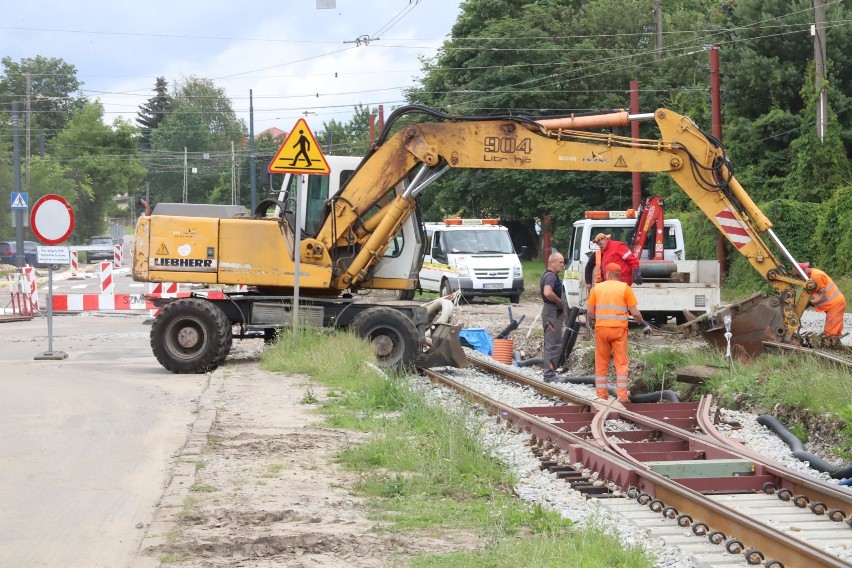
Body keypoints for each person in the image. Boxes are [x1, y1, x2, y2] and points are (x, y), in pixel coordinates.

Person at [586, 263, 652, 402]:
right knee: (621, 364)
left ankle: (602, 395)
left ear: (607, 273)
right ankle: (622, 396)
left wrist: (602, 318)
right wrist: (643, 324)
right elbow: (635, 313)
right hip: (619, 331)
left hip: (602, 330)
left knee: (601, 363)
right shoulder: (625, 289)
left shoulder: (596, 289)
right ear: (619, 275)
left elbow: (590, 312)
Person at [799, 262, 846, 343]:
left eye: (798, 276)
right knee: (835, 331)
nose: (799, 278)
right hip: (835, 304)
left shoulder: (816, 276)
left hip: (835, 304)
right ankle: (837, 346)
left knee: (830, 332)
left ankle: (831, 349)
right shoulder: (813, 275)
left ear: (804, 271)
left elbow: (822, 295)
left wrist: (811, 303)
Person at [540, 251, 567, 383]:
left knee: (551, 343)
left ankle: (549, 372)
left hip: (551, 313)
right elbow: (547, 292)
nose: (563, 265)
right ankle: (550, 375)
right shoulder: (551, 277)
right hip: (552, 313)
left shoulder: (549, 275)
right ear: (552, 262)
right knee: (553, 344)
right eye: (560, 262)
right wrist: (559, 302)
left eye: (563, 262)